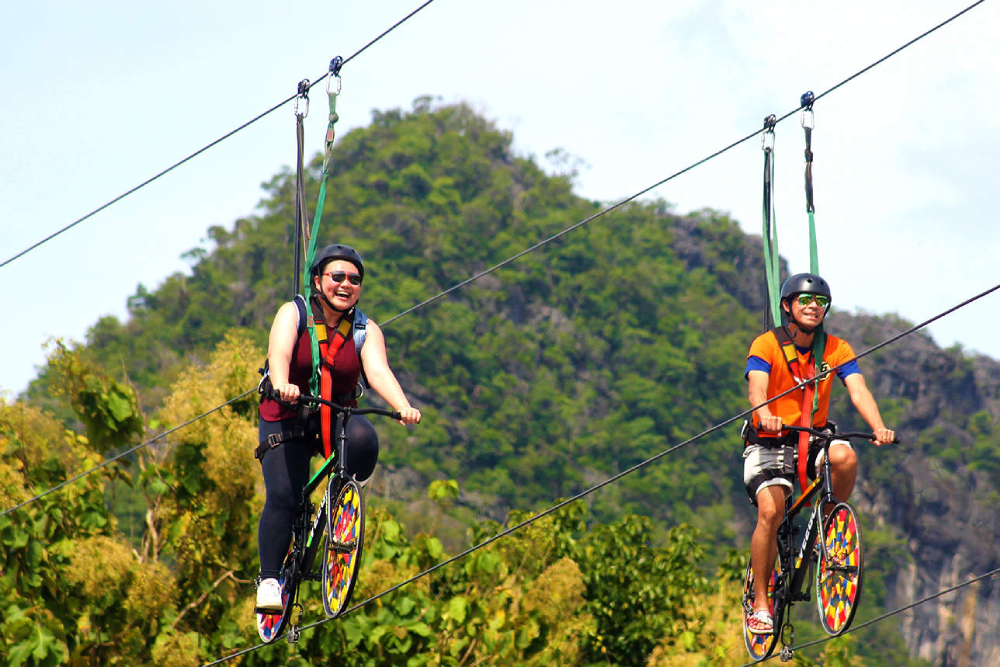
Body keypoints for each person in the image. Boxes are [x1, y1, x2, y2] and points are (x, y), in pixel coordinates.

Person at [254, 243, 421, 613]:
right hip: (287, 412)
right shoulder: (293, 313)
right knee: (284, 495)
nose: (346, 285)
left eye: (354, 280)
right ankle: (268, 579)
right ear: (318, 281)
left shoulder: (364, 328)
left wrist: (403, 406)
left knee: (363, 439)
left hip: (333, 413)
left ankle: (340, 496)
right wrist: (282, 382)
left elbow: (377, 372)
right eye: (337, 277)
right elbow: (279, 354)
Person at [742, 273, 894, 635]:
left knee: (845, 457)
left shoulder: (836, 349)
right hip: (769, 439)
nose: (813, 307)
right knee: (771, 511)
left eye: (820, 303)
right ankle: (761, 602)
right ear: (787, 307)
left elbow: (858, 390)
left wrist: (878, 426)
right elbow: (757, 388)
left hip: (811, 439)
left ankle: (824, 530)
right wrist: (765, 414)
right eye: (805, 301)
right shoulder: (766, 345)